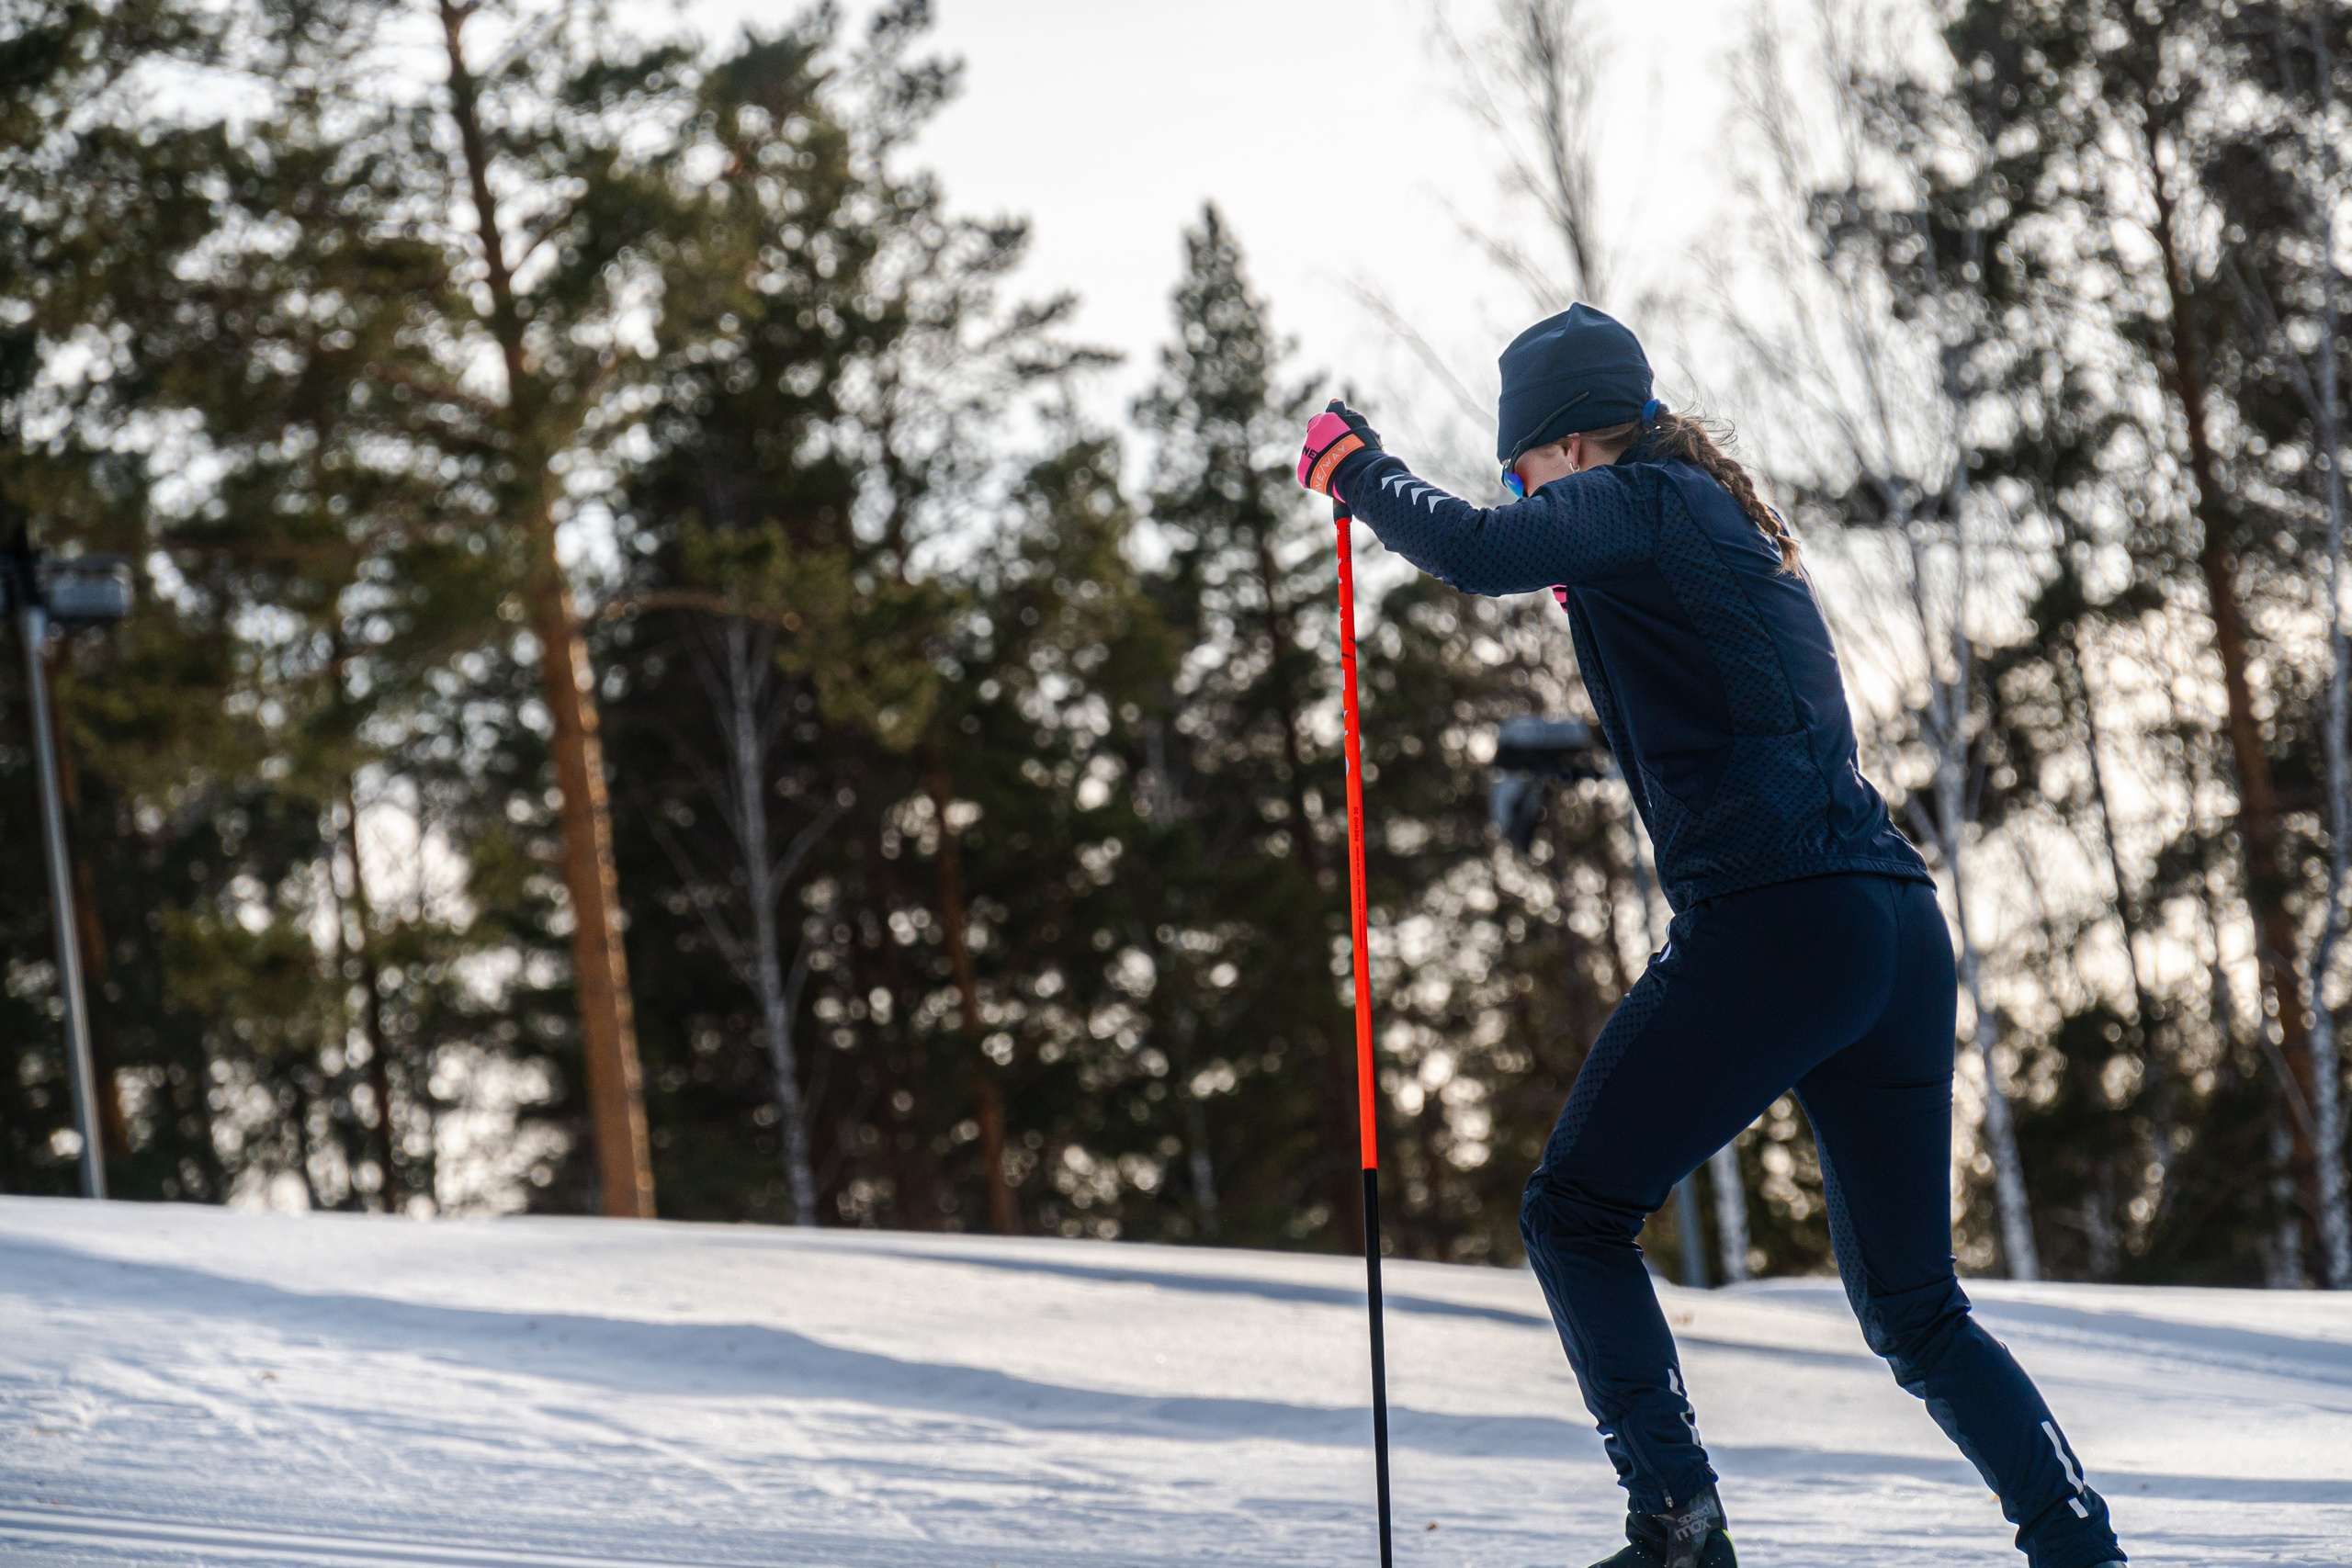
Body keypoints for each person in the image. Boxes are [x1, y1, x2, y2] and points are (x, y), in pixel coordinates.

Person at [1295, 304, 2126, 1568]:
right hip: (1891, 927)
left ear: (1564, 445)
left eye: (1520, 470)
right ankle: (2081, 1549)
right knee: (1913, 1308)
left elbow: (1469, 551)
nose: (1520, 495)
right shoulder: (1713, 522)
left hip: (1777, 922)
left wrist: (1358, 468)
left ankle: (1679, 1529)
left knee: (1573, 1212)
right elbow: (1717, 716)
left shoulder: (1639, 495)